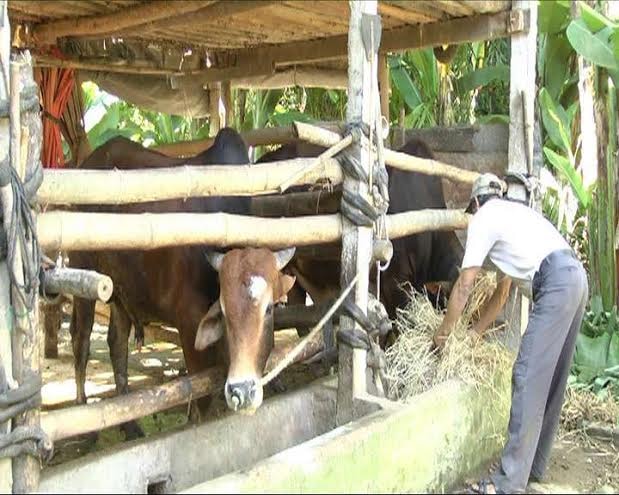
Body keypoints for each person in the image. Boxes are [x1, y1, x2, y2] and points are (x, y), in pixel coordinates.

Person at [433, 173, 589, 494]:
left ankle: (506, 484)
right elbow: (501, 296)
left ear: (475, 203)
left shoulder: (483, 219)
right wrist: (474, 334)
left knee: (527, 373)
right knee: (553, 379)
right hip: (576, 278)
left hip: (556, 283)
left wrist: (445, 335)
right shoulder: (516, 216)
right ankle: (534, 467)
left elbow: (464, 285)